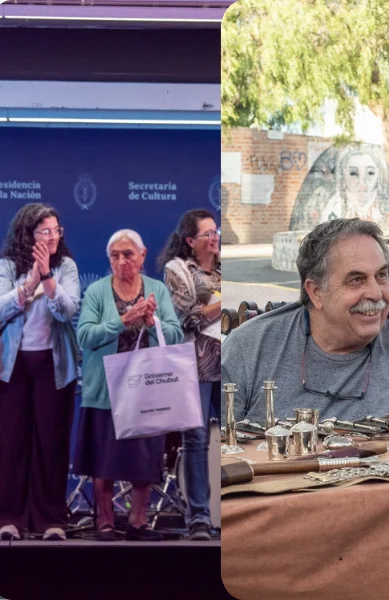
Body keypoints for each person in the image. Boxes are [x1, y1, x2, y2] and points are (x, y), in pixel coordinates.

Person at [222, 218, 389, 423]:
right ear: (316, 292)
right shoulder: (247, 348)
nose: (376, 293)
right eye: (356, 279)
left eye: (381, 276)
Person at [74, 229, 183, 542]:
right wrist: (122, 320)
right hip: (104, 390)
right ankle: (105, 522)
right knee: (103, 461)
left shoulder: (156, 290)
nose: (121, 261)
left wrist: (152, 322)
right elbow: (84, 336)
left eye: (128, 254)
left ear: (142, 256)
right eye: (115, 255)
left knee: (144, 459)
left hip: (146, 391)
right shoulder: (97, 291)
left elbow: (176, 336)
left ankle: (138, 521)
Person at [0, 203, 80, 542]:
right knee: (12, 442)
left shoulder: (66, 266)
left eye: (56, 230)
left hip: (53, 366)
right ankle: (8, 517)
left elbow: (67, 311)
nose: (52, 236)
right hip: (11, 366)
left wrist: (48, 278)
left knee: (50, 442)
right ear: (28, 235)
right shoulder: (8, 265)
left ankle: (49, 519)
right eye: (45, 231)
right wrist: (29, 282)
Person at [159, 209, 221, 541]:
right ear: (190, 241)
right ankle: (199, 518)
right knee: (195, 441)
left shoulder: (226, 267)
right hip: (195, 365)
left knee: (236, 437)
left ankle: (238, 511)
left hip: (231, 362)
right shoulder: (177, 270)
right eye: (207, 234)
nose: (214, 238)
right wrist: (224, 302)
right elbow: (188, 318)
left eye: (216, 232)